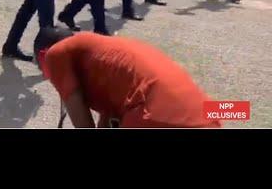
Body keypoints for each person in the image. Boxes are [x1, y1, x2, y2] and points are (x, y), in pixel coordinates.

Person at [33, 26, 222, 128]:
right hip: (208, 111)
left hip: (155, 115)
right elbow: (108, 112)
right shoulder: (103, 52)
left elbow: (80, 117)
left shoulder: (56, 54)